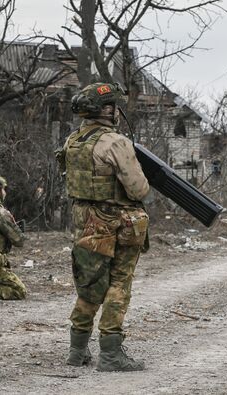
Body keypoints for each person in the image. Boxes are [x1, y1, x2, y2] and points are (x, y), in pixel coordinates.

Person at [56, 82, 150, 371]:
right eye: (114, 106)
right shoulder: (115, 142)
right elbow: (137, 189)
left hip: (84, 219)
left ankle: (77, 351)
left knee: (90, 284)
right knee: (119, 283)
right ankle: (111, 354)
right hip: (116, 221)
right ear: (107, 110)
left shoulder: (72, 141)